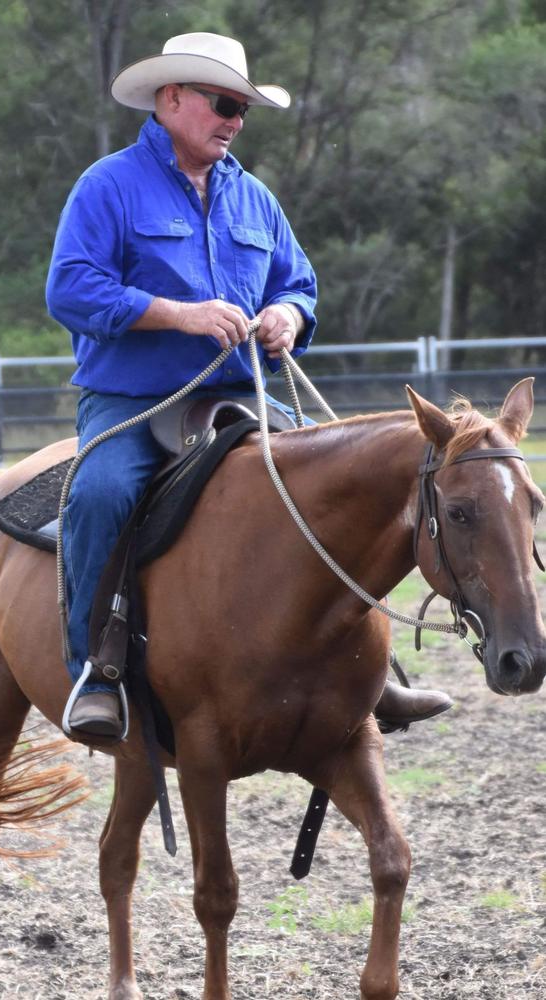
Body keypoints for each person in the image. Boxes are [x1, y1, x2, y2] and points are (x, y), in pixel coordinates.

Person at [46, 31, 452, 739]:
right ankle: (97, 670)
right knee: (102, 494)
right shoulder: (107, 185)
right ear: (171, 100)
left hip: (243, 395)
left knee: (340, 486)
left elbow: (298, 283)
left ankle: (372, 671)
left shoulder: (254, 198)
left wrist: (288, 317)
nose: (235, 119)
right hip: (135, 401)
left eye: (243, 108)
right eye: (224, 103)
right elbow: (71, 289)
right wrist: (179, 314)